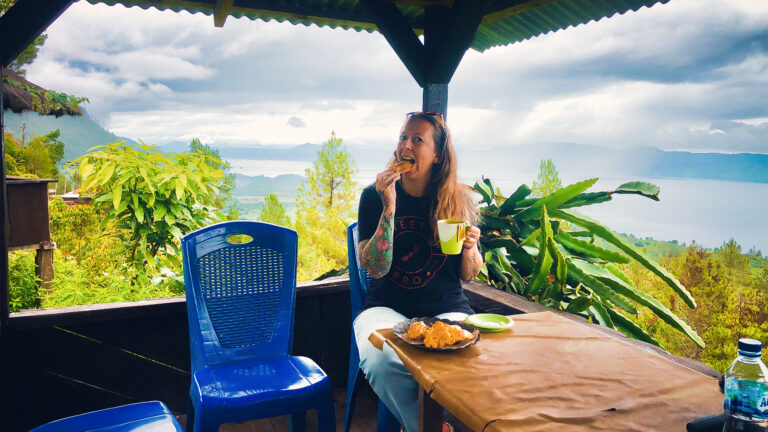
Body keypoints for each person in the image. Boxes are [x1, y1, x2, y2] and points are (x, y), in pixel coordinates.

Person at [354, 111, 483, 432]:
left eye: (417, 140)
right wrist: (389, 206)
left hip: (447, 310)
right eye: (402, 137)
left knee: (477, 363)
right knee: (381, 360)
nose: (405, 146)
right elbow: (376, 268)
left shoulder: (459, 199)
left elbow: (470, 274)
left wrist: (470, 248)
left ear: (438, 155)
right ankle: (427, 427)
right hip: (386, 309)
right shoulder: (375, 195)